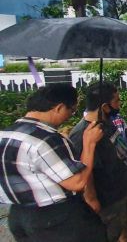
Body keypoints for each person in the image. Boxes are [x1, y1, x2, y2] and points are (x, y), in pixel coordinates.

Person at [0, 84, 106, 242]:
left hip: (18, 216)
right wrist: (89, 143)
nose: (70, 116)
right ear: (60, 107)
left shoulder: (5, 134)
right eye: (72, 110)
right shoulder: (47, 138)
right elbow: (77, 182)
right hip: (56, 219)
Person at [69, 83, 127, 242]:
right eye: (116, 101)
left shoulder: (105, 123)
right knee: (110, 234)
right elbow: (83, 170)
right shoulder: (83, 134)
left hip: (124, 189)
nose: (119, 104)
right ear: (105, 106)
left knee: (125, 227)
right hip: (109, 199)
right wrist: (91, 199)